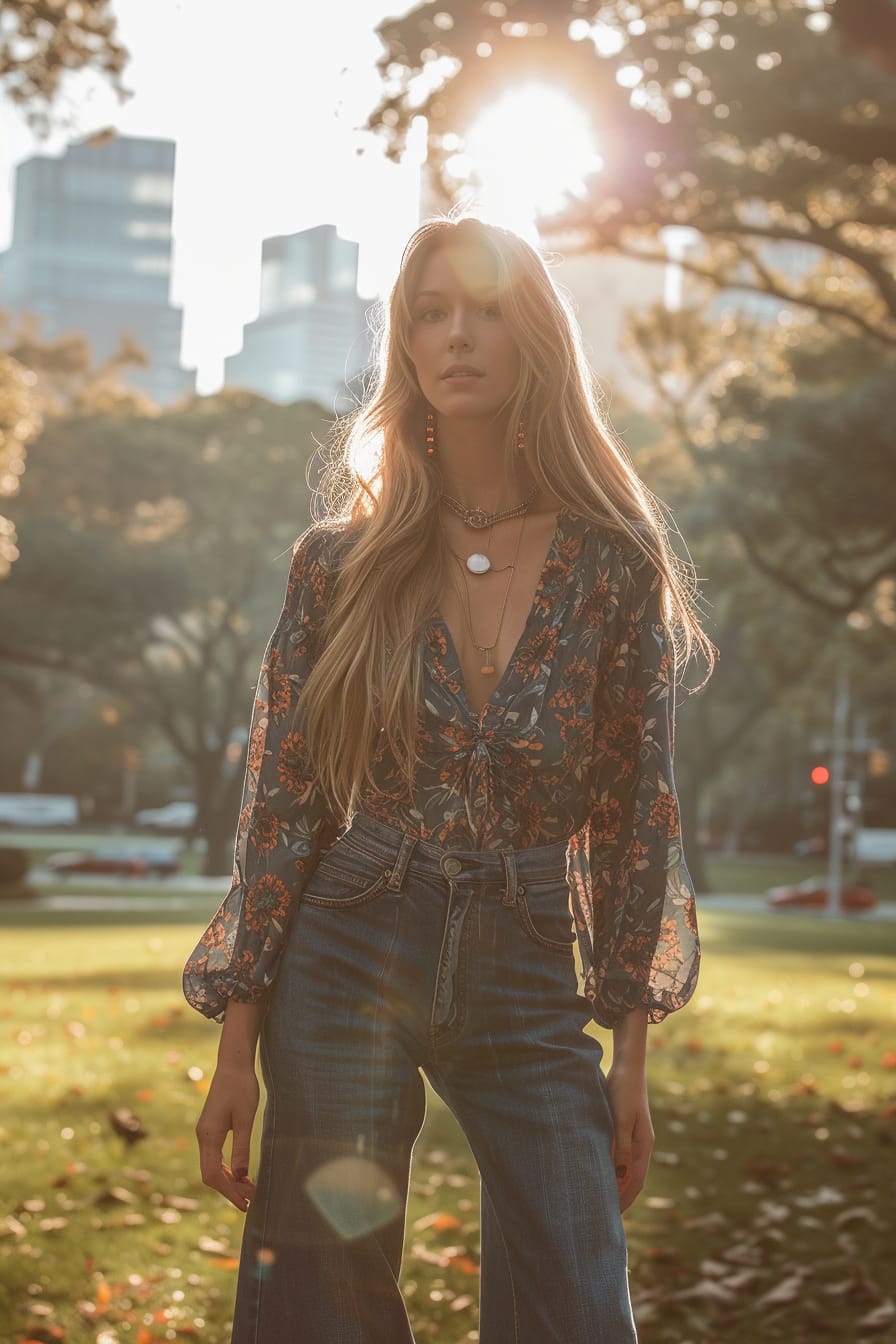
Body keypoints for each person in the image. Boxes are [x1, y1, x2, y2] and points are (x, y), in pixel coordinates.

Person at [182, 214, 715, 1343]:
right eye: (430, 312)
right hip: (347, 946)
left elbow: (635, 816)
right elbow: (281, 803)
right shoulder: (338, 562)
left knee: (576, 1300)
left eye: (483, 310)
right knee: (322, 1305)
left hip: (526, 965)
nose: (456, 335)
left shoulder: (612, 560)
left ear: (534, 339)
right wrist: (236, 1046)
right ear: (405, 344)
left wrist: (629, 1059)